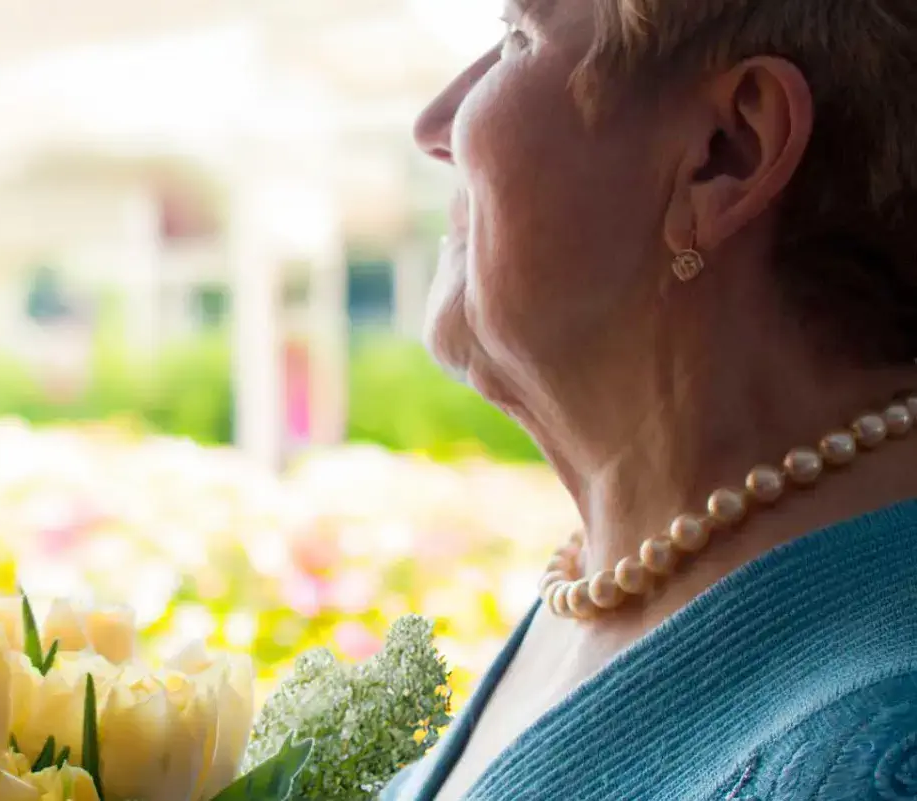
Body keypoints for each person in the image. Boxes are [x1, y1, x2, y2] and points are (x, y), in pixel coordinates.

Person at [382, 1, 917, 799]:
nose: (434, 124)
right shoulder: (631, 564)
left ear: (724, 154)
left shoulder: (871, 753)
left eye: (518, 38)